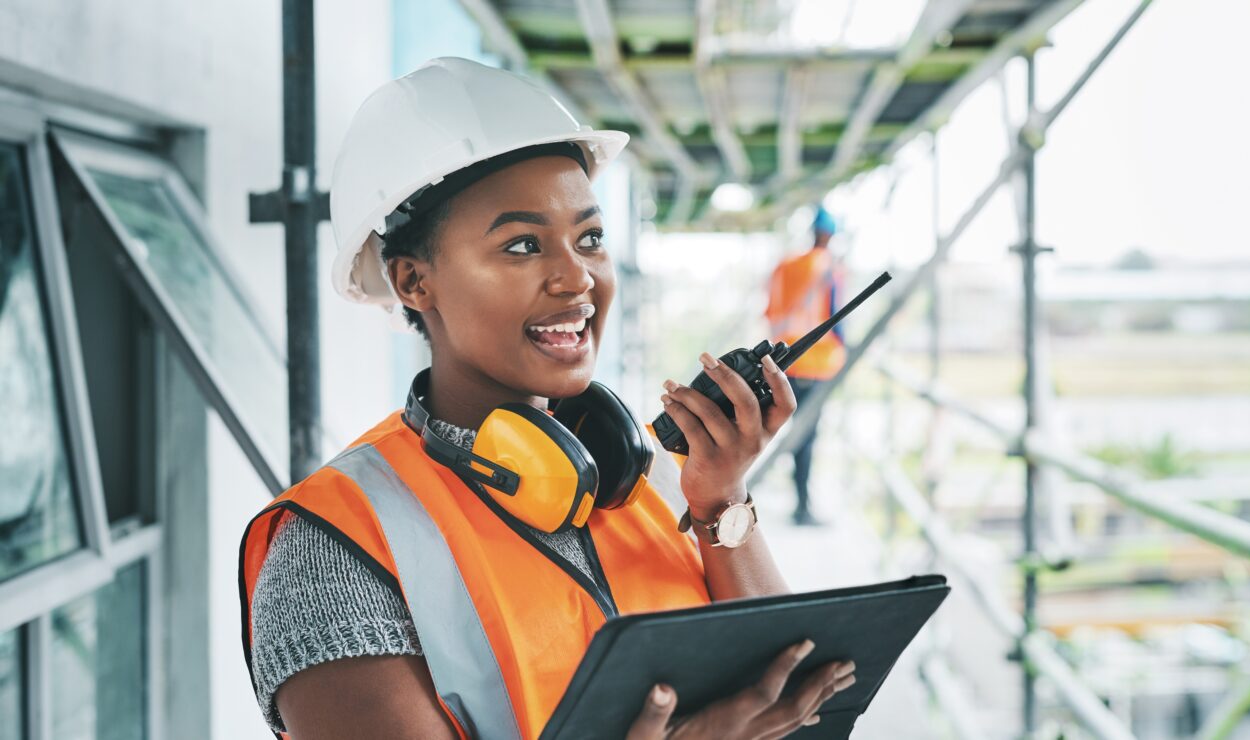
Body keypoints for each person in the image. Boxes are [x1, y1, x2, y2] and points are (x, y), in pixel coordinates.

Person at [237, 58, 856, 740]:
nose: (577, 278)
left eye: (589, 238)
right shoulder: (334, 550)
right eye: (523, 244)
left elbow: (794, 711)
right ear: (414, 281)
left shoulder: (636, 481)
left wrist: (721, 500)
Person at [764, 206, 847, 526]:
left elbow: (770, 310)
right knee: (807, 438)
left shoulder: (785, 265)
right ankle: (802, 506)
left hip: (784, 361)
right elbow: (836, 317)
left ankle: (798, 501)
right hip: (817, 364)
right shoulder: (828, 267)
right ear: (829, 235)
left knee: (791, 430)